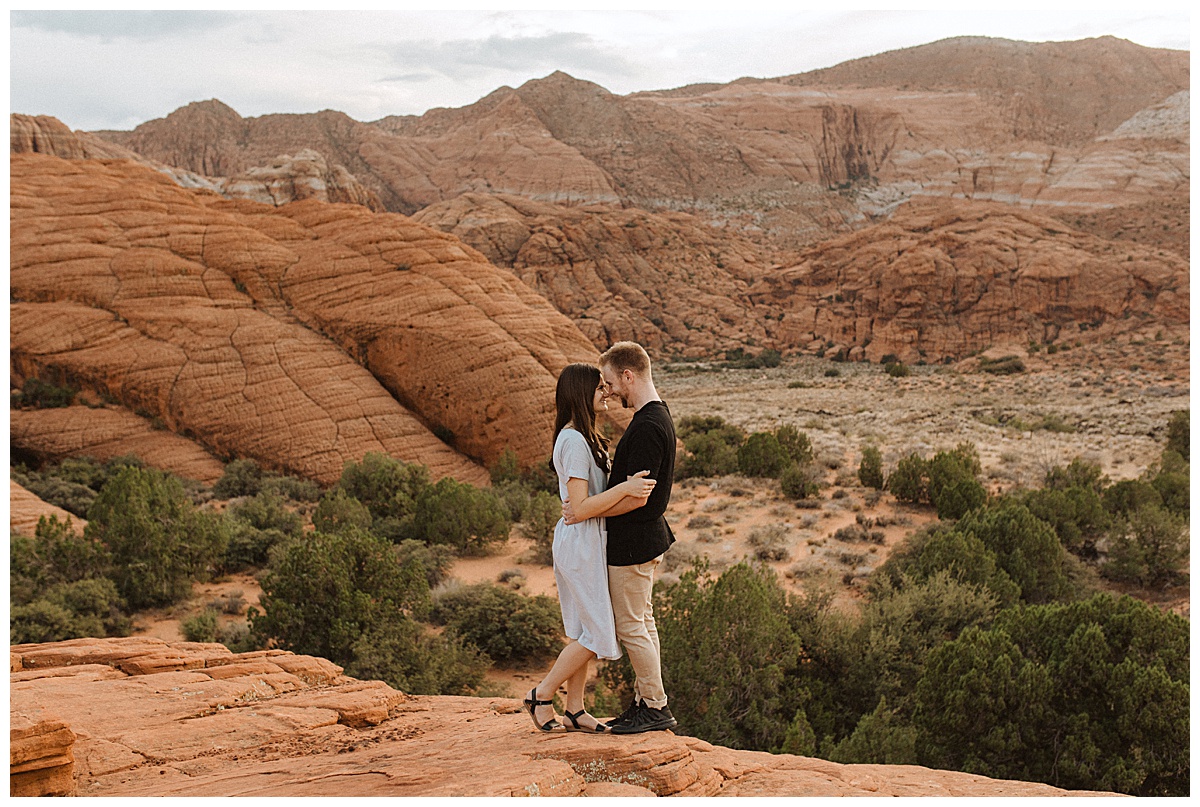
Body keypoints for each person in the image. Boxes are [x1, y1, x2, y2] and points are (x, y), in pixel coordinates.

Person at [523, 362, 657, 734]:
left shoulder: (585, 438)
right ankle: (541, 694)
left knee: (584, 630)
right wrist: (626, 488)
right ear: (581, 393)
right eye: (599, 387)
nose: (606, 391)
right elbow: (580, 508)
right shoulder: (573, 441)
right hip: (581, 543)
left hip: (589, 540)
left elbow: (581, 506)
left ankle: (575, 709)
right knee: (597, 634)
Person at [563, 341, 678, 734]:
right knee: (641, 622)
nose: (609, 391)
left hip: (633, 542)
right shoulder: (655, 416)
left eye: (611, 382)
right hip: (643, 540)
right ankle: (646, 701)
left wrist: (585, 510)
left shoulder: (647, 426)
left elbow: (635, 498)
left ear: (629, 376)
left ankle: (655, 706)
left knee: (631, 627)